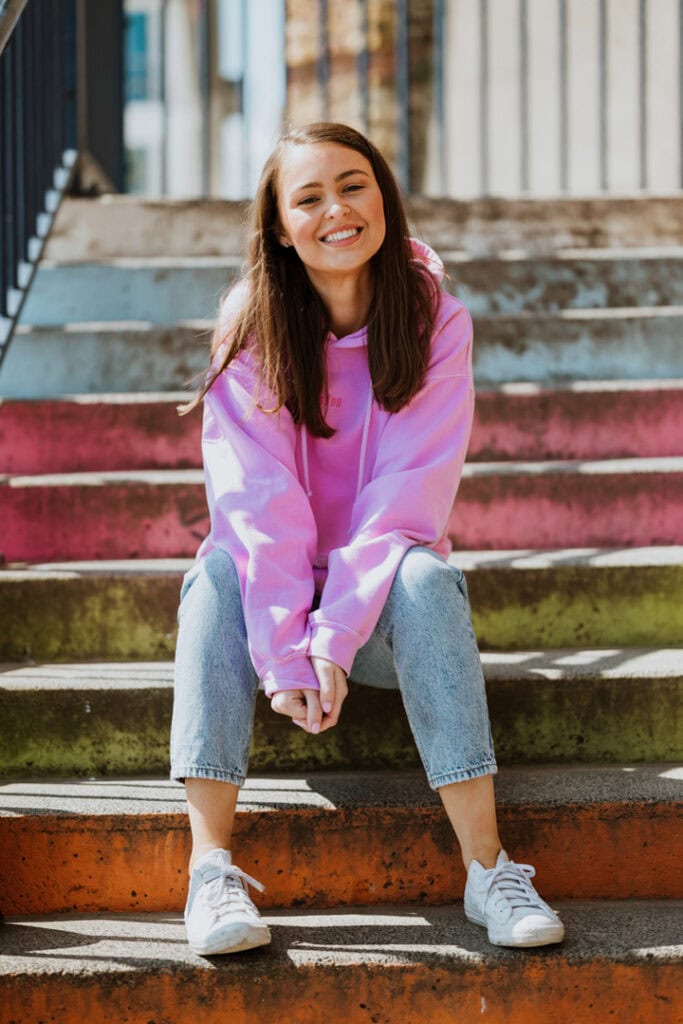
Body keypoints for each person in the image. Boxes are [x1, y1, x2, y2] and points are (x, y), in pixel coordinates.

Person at [170, 122, 564, 956]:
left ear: (382, 195)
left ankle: (488, 869)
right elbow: (253, 500)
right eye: (307, 197)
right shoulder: (252, 322)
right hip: (270, 609)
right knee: (213, 574)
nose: (336, 209)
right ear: (278, 225)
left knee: (423, 576)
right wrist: (284, 650)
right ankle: (210, 872)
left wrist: (337, 636)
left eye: (353, 185)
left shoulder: (434, 320)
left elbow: (404, 500)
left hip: (379, 611)